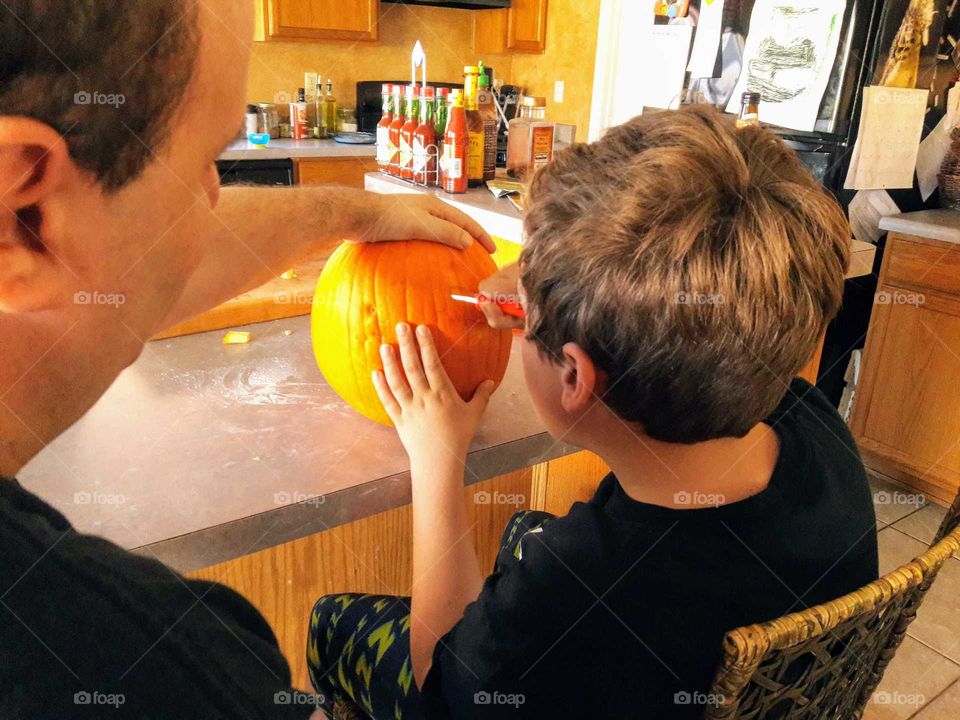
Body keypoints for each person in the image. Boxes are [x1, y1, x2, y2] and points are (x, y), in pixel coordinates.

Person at [0, 2, 493, 718]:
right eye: (207, 160)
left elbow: (135, 259)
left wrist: (354, 214)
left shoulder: (47, 259)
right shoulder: (150, 670)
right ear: (25, 212)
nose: (214, 195)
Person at [306, 107, 879, 719]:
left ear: (575, 377)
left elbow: (440, 681)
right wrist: (553, 288)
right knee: (525, 531)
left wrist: (437, 457)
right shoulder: (810, 417)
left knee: (333, 621)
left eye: (528, 323)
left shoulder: (565, 596)